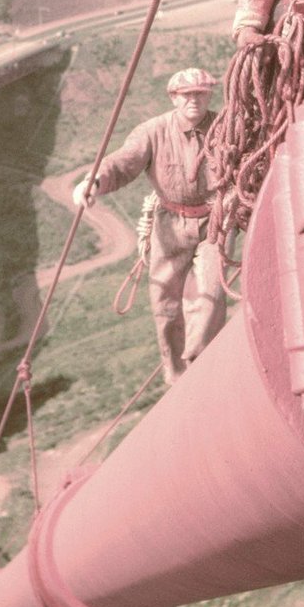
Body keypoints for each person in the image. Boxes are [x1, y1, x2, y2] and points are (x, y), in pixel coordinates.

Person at [73, 68, 226, 385]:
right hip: (169, 224)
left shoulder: (225, 127)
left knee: (209, 292)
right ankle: (176, 373)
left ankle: (200, 365)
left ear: (210, 95)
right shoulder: (152, 131)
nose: (194, 101)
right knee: (165, 303)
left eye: (200, 93)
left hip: (214, 220)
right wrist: (94, 181)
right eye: (187, 95)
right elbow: (122, 162)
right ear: (174, 98)